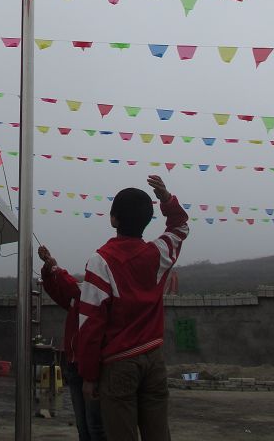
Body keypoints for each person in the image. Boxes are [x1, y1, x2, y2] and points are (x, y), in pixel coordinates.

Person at [77, 175, 189, 441]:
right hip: (154, 359)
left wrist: (89, 376)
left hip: (118, 365)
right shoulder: (157, 254)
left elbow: (90, 324)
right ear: (148, 220)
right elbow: (180, 227)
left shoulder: (100, 261)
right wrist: (166, 199)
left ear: (113, 219)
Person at [38, 245, 105, 441]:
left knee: (96, 426)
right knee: (82, 425)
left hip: (94, 370)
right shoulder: (77, 296)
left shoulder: (98, 296)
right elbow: (56, 288)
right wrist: (48, 268)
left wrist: (53, 266)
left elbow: (67, 283)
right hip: (75, 368)